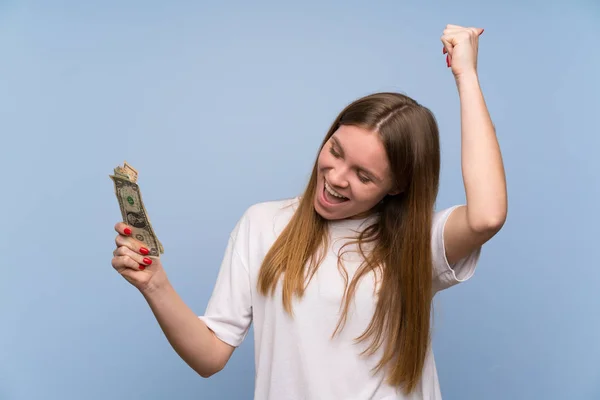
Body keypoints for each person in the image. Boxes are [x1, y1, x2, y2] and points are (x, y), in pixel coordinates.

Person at [111, 24, 507, 399]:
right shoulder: (263, 225)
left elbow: (487, 216)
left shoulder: (418, 244)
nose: (336, 178)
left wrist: (465, 76)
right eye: (335, 151)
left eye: (363, 175)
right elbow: (210, 355)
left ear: (397, 187)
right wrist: (154, 284)